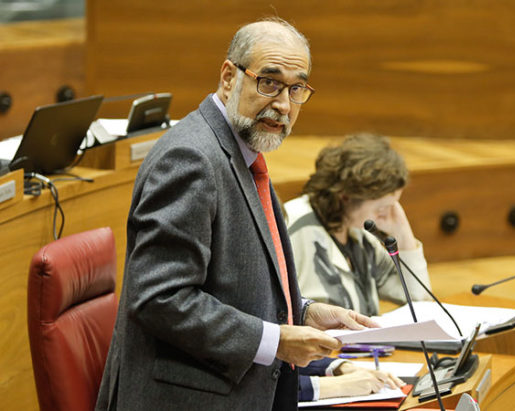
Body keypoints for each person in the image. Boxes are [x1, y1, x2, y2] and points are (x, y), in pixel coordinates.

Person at [96, 19, 381, 411]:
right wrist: (277, 340)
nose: (282, 104)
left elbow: (231, 283)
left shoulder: (239, 152)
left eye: (296, 89)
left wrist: (305, 312)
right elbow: (161, 298)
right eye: (269, 82)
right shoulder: (192, 158)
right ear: (229, 77)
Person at [285, 133, 432, 317]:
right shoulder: (295, 230)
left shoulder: (360, 233)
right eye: (382, 208)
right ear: (346, 196)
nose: (387, 215)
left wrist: (404, 237)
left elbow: (417, 299)